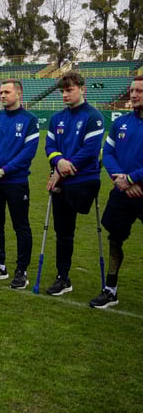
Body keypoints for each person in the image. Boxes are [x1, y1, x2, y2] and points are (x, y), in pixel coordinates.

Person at [44, 71, 104, 296]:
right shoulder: (56, 118)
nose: (65, 95)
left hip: (84, 180)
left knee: (73, 222)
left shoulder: (93, 116)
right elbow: (49, 147)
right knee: (63, 232)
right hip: (63, 178)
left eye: (69, 90)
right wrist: (59, 162)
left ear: (82, 89)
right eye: (63, 91)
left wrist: (62, 171)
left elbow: (90, 151)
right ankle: (63, 277)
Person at [0, 79, 40, 290]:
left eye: (6, 92)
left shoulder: (30, 120)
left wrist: (4, 170)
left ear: (19, 94)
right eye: (0, 92)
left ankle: (21, 271)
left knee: (20, 226)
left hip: (15, 181)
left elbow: (28, 152)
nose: (2, 95)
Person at [89, 76, 143, 309]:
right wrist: (120, 178)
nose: (133, 95)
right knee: (115, 239)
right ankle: (110, 289)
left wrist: (132, 179)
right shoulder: (121, 123)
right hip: (121, 192)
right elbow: (108, 153)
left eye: (139, 91)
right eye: (132, 90)